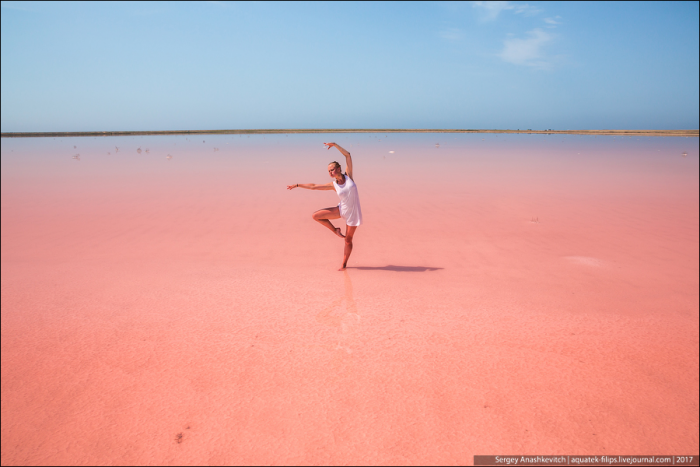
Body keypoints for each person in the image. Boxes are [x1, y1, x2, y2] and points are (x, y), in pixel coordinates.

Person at [287, 142, 363, 270]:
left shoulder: (349, 176)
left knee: (348, 240)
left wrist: (335, 145)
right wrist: (298, 184)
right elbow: (314, 186)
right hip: (341, 210)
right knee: (316, 216)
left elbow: (348, 155)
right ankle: (335, 231)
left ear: (339, 168)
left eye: (332, 169)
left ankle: (344, 264)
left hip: (353, 214)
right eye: (329, 171)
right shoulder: (333, 185)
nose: (330, 172)